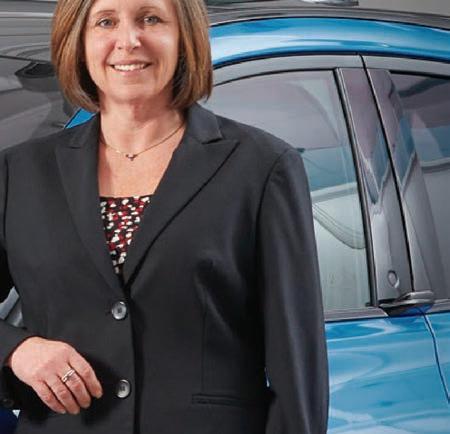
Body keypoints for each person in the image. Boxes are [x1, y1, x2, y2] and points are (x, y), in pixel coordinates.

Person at [0, 0, 329, 433]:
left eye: (150, 18)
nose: (128, 40)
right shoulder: (20, 173)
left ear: (184, 36)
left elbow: (297, 371)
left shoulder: (262, 167)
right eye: (105, 21)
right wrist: (16, 350)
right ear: (78, 41)